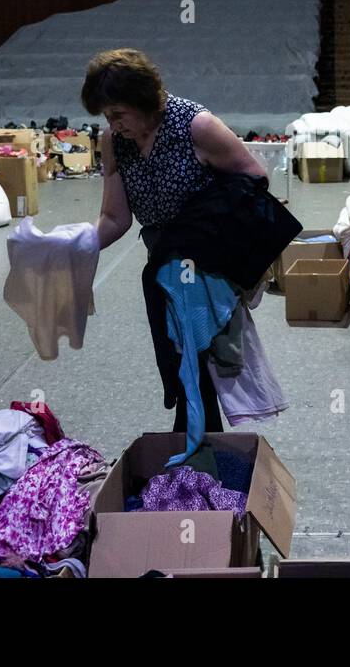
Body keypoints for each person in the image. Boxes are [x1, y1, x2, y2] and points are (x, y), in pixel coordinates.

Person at [81, 48, 275, 434]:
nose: (113, 124)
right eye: (106, 116)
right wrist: (72, 244)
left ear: (144, 101)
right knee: (182, 366)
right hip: (165, 265)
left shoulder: (195, 126)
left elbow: (256, 178)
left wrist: (205, 227)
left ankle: (199, 457)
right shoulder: (114, 141)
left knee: (201, 366)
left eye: (118, 114)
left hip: (209, 263)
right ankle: (199, 454)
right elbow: (115, 218)